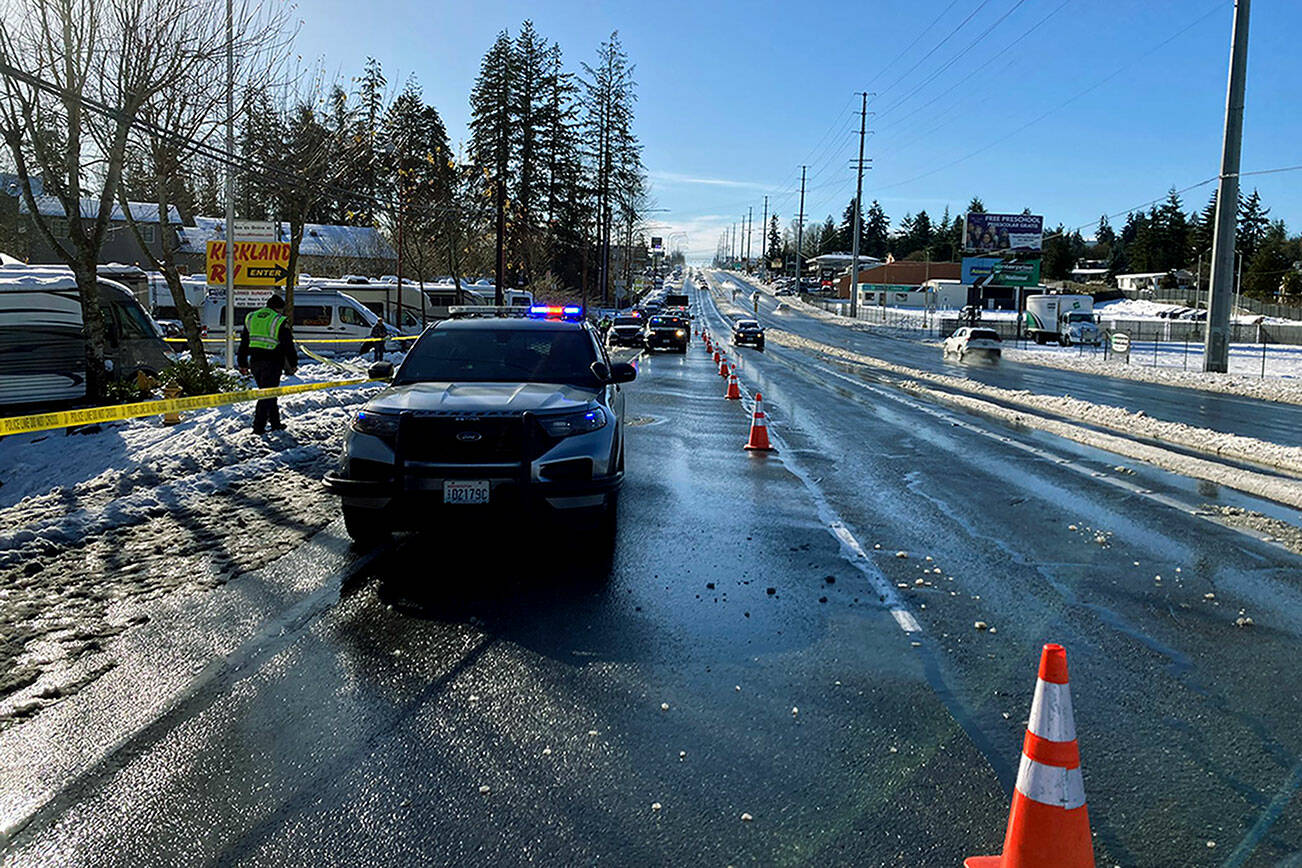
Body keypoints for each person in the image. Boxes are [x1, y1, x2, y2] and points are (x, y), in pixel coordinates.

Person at [238, 294, 298, 434]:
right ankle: (258, 426)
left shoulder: (251, 317)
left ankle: (275, 423)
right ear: (279, 308)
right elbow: (288, 345)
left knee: (269, 392)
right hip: (272, 361)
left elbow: (244, 342)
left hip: (255, 361)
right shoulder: (279, 320)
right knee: (267, 394)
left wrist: (242, 363)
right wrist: (293, 363)